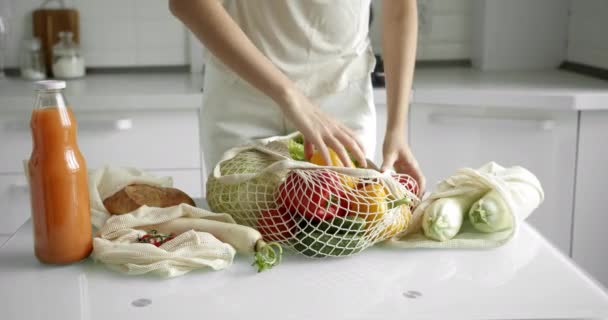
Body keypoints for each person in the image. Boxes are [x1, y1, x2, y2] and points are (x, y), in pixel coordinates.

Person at [169, 0, 425, 192]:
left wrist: (397, 128)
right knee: (249, 244)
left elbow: (400, 10)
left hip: (341, 106)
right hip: (243, 98)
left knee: (341, 234)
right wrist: (290, 95)